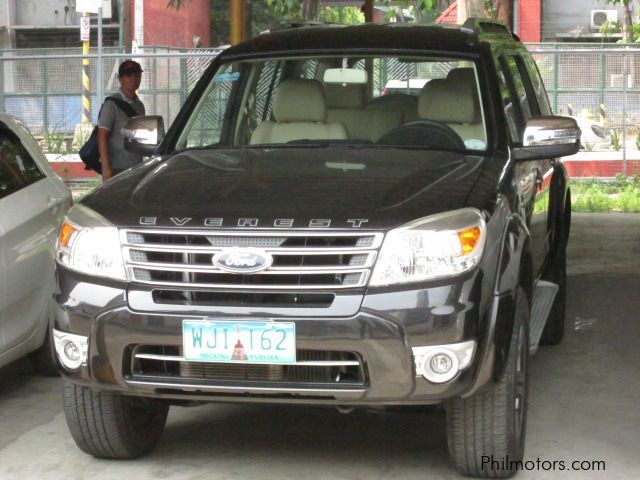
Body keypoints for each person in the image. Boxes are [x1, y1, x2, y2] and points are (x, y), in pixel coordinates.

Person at [97, 60, 146, 181]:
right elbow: (101, 136)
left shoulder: (140, 106)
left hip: (136, 168)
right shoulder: (111, 105)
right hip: (117, 169)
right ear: (120, 78)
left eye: (137, 75)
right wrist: (106, 169)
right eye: (128, 75)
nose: (133, 79)